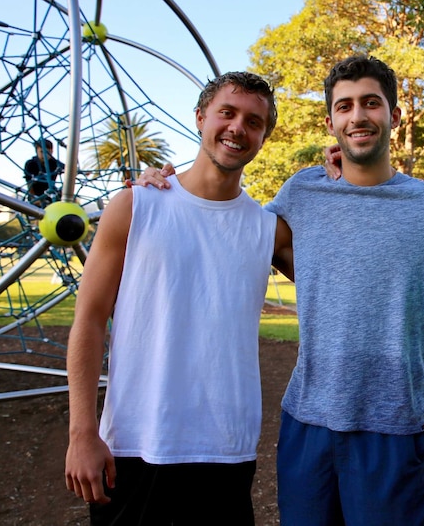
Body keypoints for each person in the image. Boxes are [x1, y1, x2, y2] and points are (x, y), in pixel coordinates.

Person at [140, 55, 424, 525]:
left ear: (394, 116)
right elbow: (229, 225)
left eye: (372, 103)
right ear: (331, 121)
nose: (358, 116)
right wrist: (166, 187)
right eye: (345, 106)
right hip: (307, 421)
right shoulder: (302, 191)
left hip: (393, 424)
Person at [64, 71, 293, 525]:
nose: (237, 128)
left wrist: (341, 174)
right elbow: (89, 319)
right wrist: (81, 432)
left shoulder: (269, 230)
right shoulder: (136, 205)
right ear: (200, 117)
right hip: (134, 443)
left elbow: (340, 284)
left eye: (253, 121)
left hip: (225, 451)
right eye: (226, 113)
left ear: (264, 136)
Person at [24, 139, 64, 206]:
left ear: (52, 152)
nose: (44, 155)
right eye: (42, 152)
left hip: (51, 193)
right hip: (36, 194)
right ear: (37, 151)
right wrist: (33, 198)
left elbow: (68, 168)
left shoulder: (54, 163)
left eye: (47, 152)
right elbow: (29, 183)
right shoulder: (31, 164)